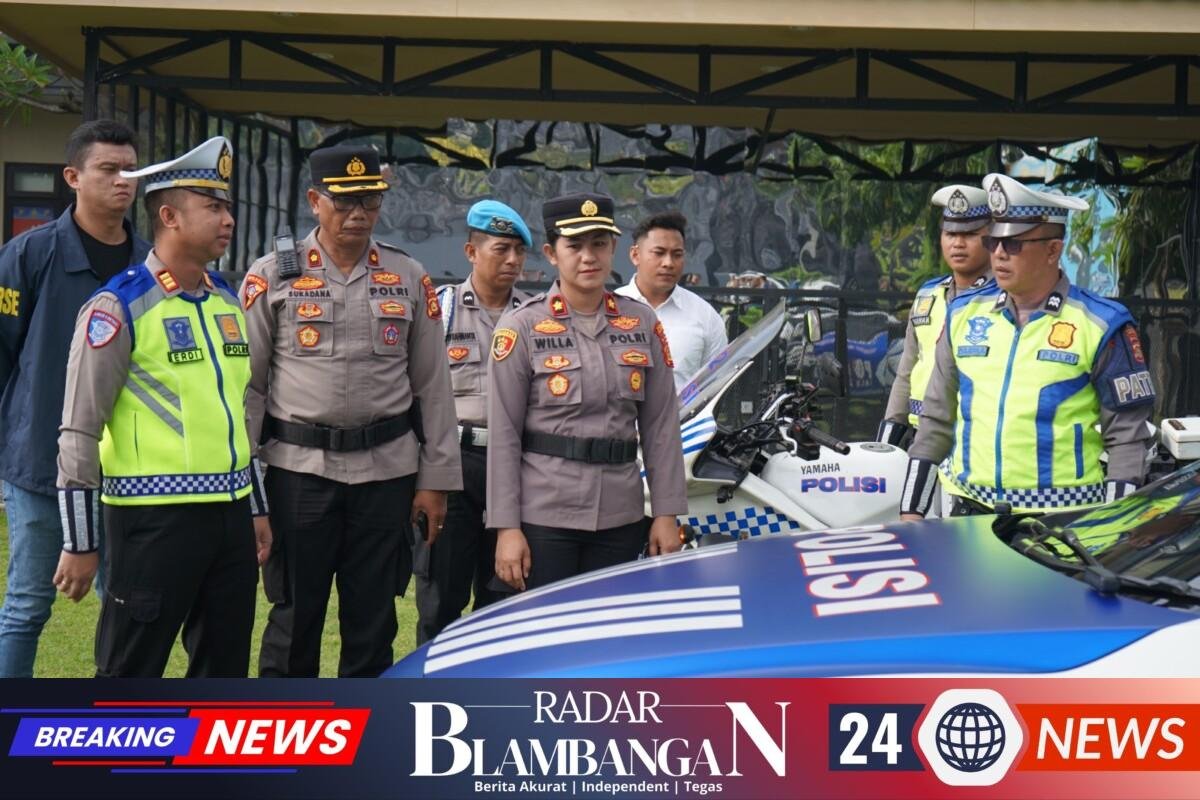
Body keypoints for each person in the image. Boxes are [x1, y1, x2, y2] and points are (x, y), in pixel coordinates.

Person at [244, 145, 461, 677]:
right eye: (343, 201)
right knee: (294, 619)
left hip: (386, 474)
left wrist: (435, 481)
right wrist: (247, 488)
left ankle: (361, 725)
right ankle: (286, 726)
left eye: (370, 200)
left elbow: (433, 387)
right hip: (299, 474)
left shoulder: (408, 276)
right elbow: (249, 389)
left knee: (373, 621)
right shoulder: (273, 275)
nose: (358, 213)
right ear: (314, 201)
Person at [56, 136, 268, 677]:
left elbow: (240, 412)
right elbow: (80, 427)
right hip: (152, 521)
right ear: (169, 217)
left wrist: (256, 507)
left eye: (228, 207)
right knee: (130, 673)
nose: (228, 220)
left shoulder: (227, 302)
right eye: (213, 207)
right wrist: (80, 541)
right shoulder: (118, 306)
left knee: (224, 672)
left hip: (229, 516)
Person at [900, 173, 1155, 519]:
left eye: (1014, 244)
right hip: (968, 515)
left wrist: (1112, 526)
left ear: (1053, 250)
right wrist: (911, 511)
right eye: (993, 241)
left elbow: (1127, 440)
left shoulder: (1101, 323)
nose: (998, 254)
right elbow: (935, 421)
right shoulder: (962, 314)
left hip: (1062, 522)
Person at [0, 120, 151, 678]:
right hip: (41, 465)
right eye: (108, 169)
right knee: (26, 606)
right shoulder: (29, 254)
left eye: (130, 170)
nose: (122, 180)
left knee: (127, 607)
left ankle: (117, 718)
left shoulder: (150, 263)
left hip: (130, 471)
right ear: (73, 177)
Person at [487, 192, 688, 591]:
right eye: (574, 246)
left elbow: (661, 426)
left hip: (621, 513)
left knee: (613, 625)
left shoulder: (642, 323)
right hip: (546, 515)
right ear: (551, 253)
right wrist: (506, 528)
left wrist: (667, 513)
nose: (588, 257)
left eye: (598, 244)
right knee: (546, 625)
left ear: (613, 248)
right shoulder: (521, 327)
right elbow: (504, 435)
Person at [414, 200, 532, 644]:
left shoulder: (535, 316)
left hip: (516, 468)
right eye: (501, 249)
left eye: (519, 251)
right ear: (471, 252)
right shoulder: (439, 310)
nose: (513, 260)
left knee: (504, 596)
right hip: (454, 466)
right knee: (440, 599)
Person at [879, 185, 991, 447]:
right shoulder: (928, 294)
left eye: (970, 234)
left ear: (993, 238)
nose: (958, 243)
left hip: (973, 439)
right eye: (950, 233)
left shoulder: (1003, 300)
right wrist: (887, 441)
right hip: (919, 434)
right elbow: (906, 371)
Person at [615, 211, 727, 393]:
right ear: (635, 255)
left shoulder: (704, 316)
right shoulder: (609, 310)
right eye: (659, 253)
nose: (668, 263)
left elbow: (716, 384)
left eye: (677, 254)